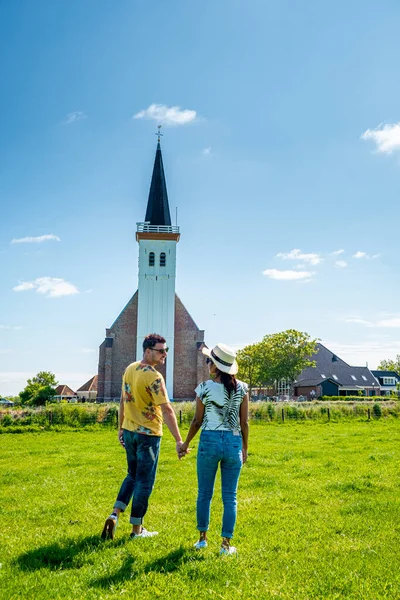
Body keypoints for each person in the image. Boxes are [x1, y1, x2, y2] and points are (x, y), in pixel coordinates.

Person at [101, 333, 187, 540]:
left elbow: (123, 401)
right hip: (148, 436)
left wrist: (121, 427)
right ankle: (136, 530)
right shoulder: (154, 376)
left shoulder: (130, 369)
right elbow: (167, 410)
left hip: (129, 432)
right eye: (161, 350)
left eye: (166, 350)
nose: (165, 354)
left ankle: (115, 514)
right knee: (144, 481)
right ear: (148, 351)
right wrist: (178, 440)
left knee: (132, 475)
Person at [179, 343, 249, 555]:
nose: (207, 363)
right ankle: (225, 545)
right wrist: (245, 448)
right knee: (230, 497)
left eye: (209, 360)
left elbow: (197, 421)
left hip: (208, 442)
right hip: (233, 443)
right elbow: (244, 422)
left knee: (204, 494)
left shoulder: (204, 388)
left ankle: (202, 540)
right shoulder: (242, 389)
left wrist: (185, 444)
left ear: (216, 366)